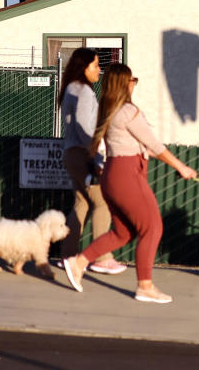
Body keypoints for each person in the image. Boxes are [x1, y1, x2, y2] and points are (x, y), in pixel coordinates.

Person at [63, 64, 197, 303]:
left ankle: (78, 262)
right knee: (152, 228)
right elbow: (155, 145)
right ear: (124, 83)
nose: (135, 83)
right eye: (132, 79)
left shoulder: (110, 111)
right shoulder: (128, 111)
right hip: (127, 175)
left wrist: (177, 166)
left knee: (123, 233)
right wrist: (182, 167)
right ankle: (145, 286)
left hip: (113, 175)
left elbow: (145, 147)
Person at [58, 48, 127, 275]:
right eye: (96, 65)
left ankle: (67, 256)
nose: (99, 70)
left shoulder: (70, 88)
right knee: (103, 202)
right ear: (84, 67)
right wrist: (96, 154)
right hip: (83, 154)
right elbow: (84, 125)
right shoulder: (85, 92)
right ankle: (102, 258)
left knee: (82, 203)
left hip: (71, 153)